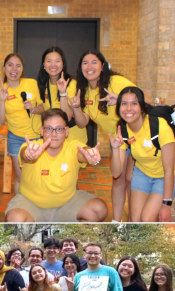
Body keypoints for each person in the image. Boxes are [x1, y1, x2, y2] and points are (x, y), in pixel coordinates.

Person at [70, 50, 151, 222]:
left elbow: (146, 100)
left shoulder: (115, 82)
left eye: (94, 62)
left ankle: (133, 221)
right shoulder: (83, 90)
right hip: (117, 139)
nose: (89, 66)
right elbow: (82, 122)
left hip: (134, 136)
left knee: (130, 178)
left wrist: (121, 100)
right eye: (85, 63)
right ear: (81, 68)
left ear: (102, 65)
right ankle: (117, 221)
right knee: (118, 179)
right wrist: (76, 107)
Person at [5, 108, 108, 222]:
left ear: (66, 132)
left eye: (59, 129)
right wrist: (28, 155)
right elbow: (24, 153)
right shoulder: (32, 147)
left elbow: (82, 152)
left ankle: (73, 235)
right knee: (16, 218)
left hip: (66, 205)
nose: (54, 134)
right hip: (31, 205)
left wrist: (90, 154)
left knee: (99, 209)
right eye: (49, 128)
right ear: (42, 131)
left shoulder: (73, 147)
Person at [110, 86, 174, 222]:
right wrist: (115, 149)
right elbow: (116, 173)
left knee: (147, 219)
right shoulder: (123, 131)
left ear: (142, 107)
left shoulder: (159, 126)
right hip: (142, 173)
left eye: (134, 103)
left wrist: (166, 205)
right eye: (124, 104)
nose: (128, 109)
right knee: (136, 221)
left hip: (164, 176)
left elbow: (170, 170)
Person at [0, 53, 43, 194]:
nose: (14, 68)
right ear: (4, 68)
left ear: (22, 69)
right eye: (10, 65)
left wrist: (32, 109)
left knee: (37, 177)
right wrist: (2, 100)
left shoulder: (31, 83)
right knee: (20, 177)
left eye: (18, 65)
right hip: (16, 138)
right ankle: (19, 208)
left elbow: (43, 109)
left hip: (37, 137)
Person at [36, 46, 87, 145]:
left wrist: (63, 93)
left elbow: (67, 117)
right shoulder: (42, 84)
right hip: (53, 139)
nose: (53, 65)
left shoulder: (71, 84)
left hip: (73, 139)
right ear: (43, 64)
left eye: (57, 61)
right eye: (49, 61)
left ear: (63, 64)